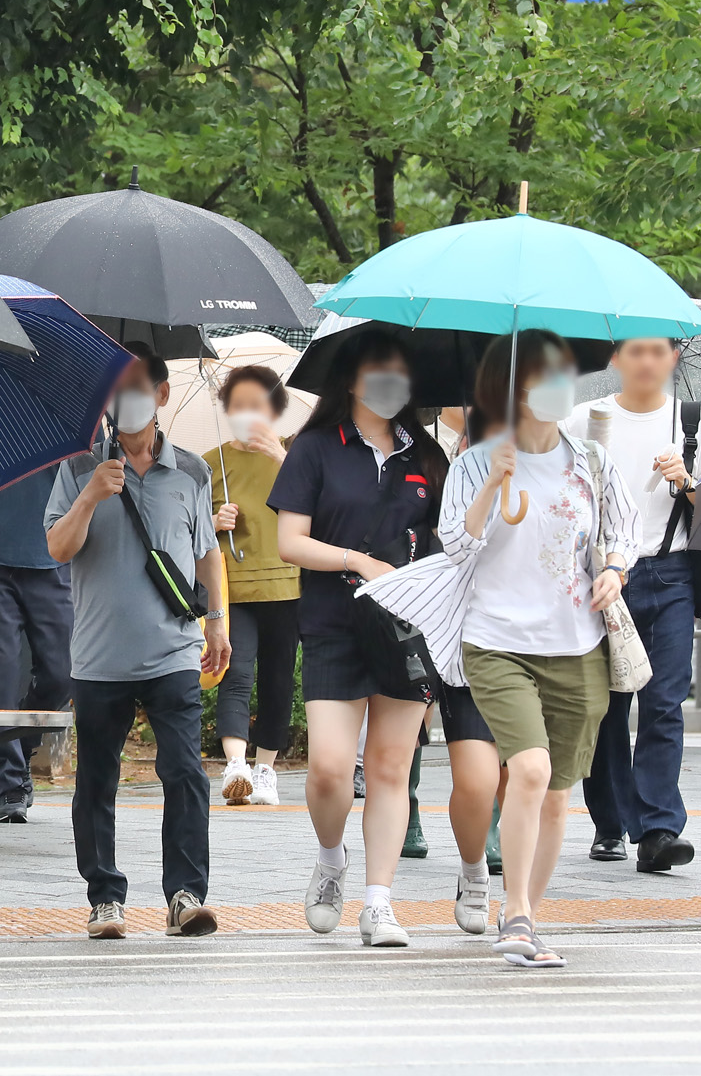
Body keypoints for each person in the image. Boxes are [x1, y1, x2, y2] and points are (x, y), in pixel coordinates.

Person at [442, 330, 636, 967]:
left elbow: (618, 533)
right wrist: (488, 488)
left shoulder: (589, 460)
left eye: (564, 375)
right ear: (512, 388)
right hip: (496, 641)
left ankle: (525, 912)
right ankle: (517, 914)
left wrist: (613, 569)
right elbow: (455, 547)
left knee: (558, 793)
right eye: (543, 375)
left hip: (578, 641)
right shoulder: (474, 462)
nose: (558, 387)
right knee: (529, 769)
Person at [269, 328, 447, 948]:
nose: (392, 381)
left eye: (401, 371)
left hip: (404, 630)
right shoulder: (315, 448)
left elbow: (448, 546)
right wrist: (357, 560)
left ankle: (379, 903)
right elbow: (290, 542)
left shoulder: (427, 458)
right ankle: (329, 857)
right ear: (350, 380)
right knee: (328, 771)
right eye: (379, 370)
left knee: (392, 768)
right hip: (333, 625)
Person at [46, 343, 228, 941]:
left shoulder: (193, 471)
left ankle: (185, 893)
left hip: (173, 648)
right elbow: (58, 548)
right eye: (117, 387)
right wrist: (92, 494)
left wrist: (219, 620)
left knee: (184, 771)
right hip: (99, 657)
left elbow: (206, 552)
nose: (128, 400)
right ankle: (105, 898)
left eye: (139, 387)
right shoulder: (76, 469)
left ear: (162, 395)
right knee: (96, 779)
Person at [562, 338, 701, 871]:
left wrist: (687, 480)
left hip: (671, 573)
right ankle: (608, 821)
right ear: (615, 360)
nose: (647, 361)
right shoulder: (587, 418)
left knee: (665, 702)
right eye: (635, 351)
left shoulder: (692, 421)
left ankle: (658, 829)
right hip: (603, 574)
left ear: (673, 358)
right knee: (607, 704)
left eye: (658, 351)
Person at [205, 364, 300, 806]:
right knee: (235, 672)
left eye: (256, 405)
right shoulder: (211, 463)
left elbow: (323, 511)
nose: (247, 413)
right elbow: (188, 532)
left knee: (278, 680)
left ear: (275, 408)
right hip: (235, 587)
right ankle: (235, 766)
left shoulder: (298, 457)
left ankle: (265, 771)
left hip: (289, 585)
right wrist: (213, 520)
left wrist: (285, 460)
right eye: (238, 405)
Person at [0, 464, 73, 822]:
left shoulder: (57, 409)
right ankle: (7, 784)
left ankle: (20, 744)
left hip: (52, 553)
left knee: (64, 670)